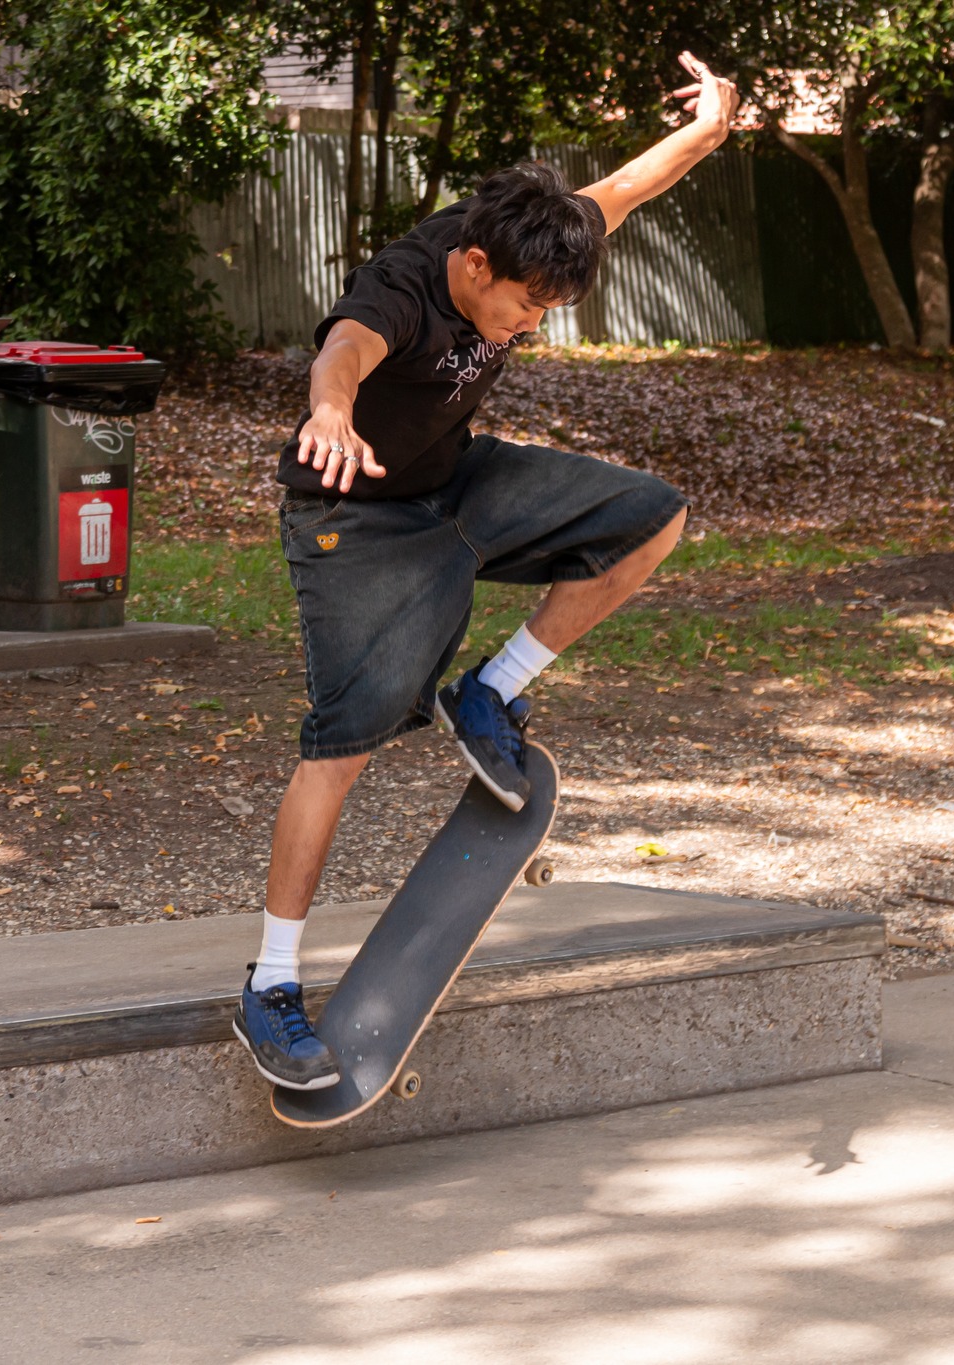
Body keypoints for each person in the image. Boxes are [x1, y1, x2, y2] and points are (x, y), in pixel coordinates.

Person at [232, 53, 742, 1090]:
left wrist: (712, 128)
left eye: (546, 310)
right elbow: (344, 349)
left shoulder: (531, 234)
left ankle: (490, 691)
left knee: (651, 518)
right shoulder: (408, 287)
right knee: (345, 743)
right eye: (520, 307)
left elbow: (633, 185)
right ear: (471, 267)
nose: (529, 324)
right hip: (355, 519)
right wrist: (328, 412)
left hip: (456, 483)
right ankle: (272, 985)